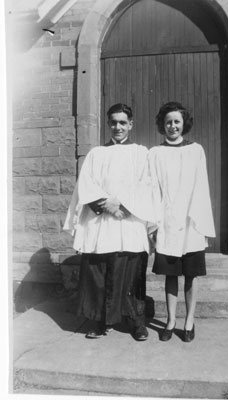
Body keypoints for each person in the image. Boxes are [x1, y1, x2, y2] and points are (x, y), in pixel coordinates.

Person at [64, 103, 157, 341]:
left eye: (123, 122)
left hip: (129, 222)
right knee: (98, 272)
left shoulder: (141, 153)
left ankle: (136, 322)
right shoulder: (97, 153)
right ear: (108, 124)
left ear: (131, 124)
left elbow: (146, 184)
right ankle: (97, 321)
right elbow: (86, 183)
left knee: (132, 275)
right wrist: (106, 204)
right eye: (114, 122)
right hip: (102, 223)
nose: (118, 127)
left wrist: (123, 206)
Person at [149, 101, 215, 342]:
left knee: (190, 275)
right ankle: (170, 320)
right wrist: (153, 225)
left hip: (191, 222)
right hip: (167, 222)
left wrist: (203, 225)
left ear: (183, 124)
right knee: (170, 275)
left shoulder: (196, 150)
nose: (172, 126)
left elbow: (202, 188)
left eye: (177, 121)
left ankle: (189, 321)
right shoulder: (155, 153)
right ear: (162, 125)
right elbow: (153, 190)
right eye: (168, 122)